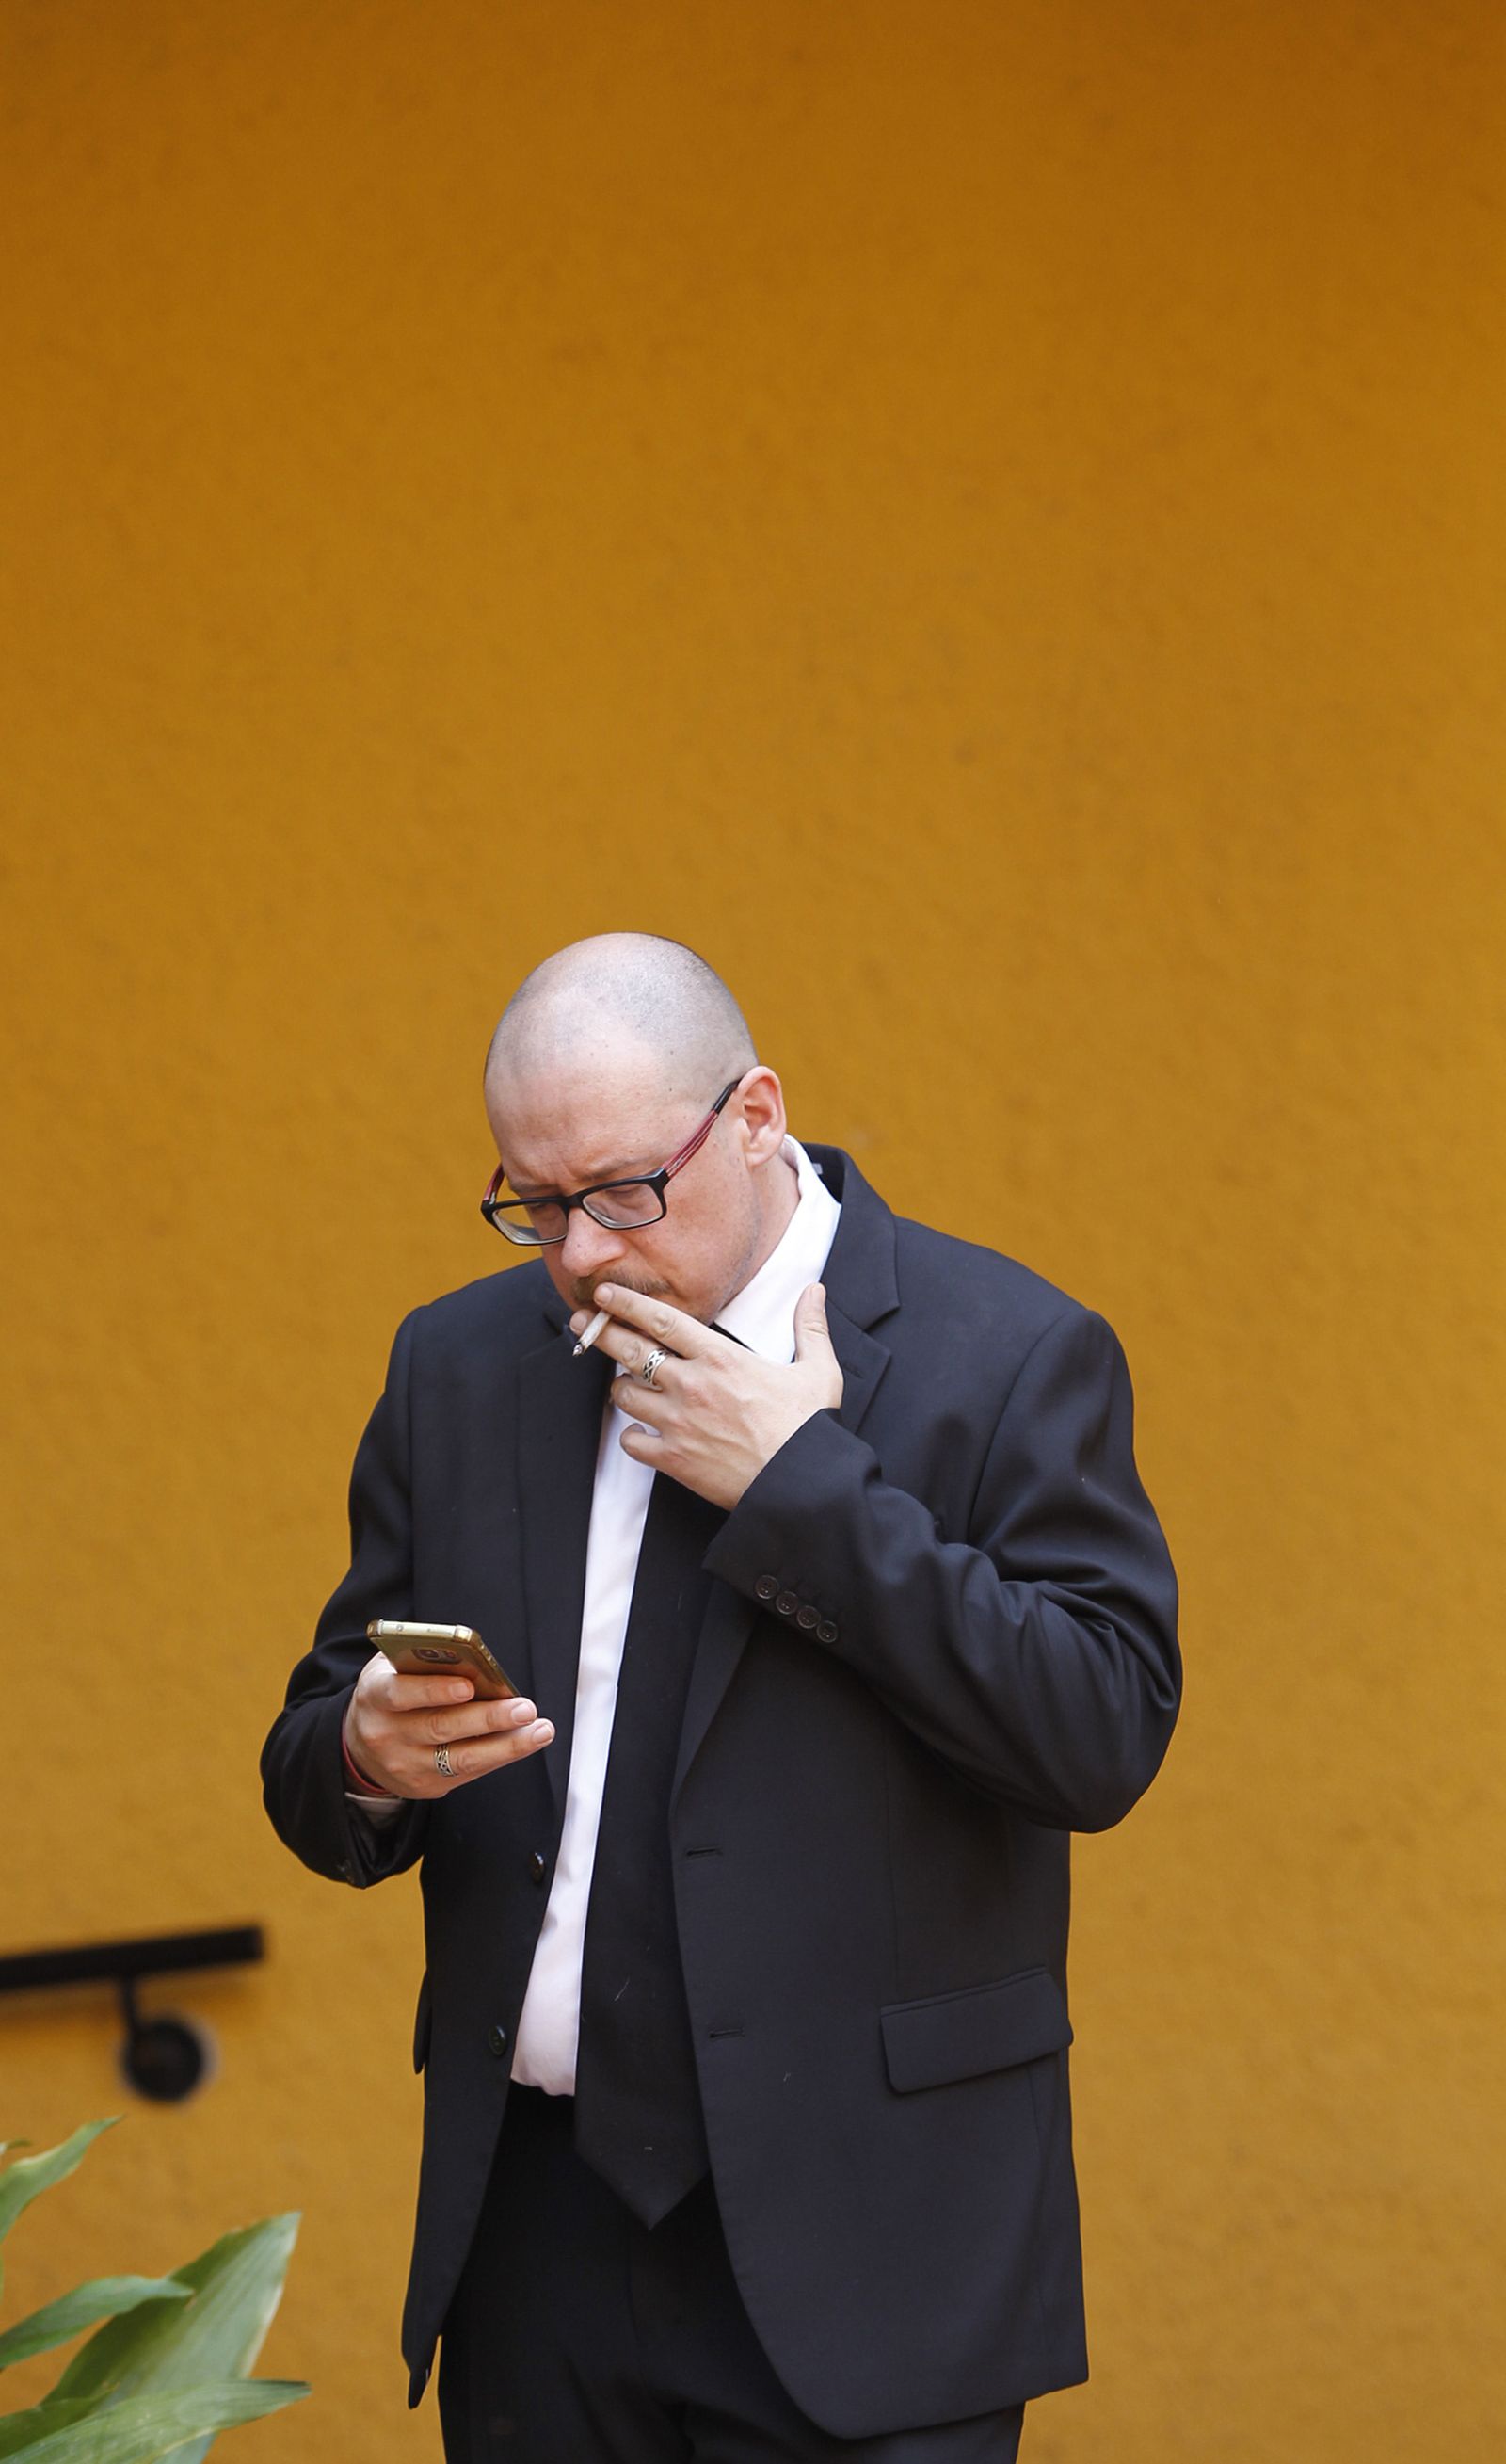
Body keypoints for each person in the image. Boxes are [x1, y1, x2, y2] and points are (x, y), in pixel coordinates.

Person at [261, 933, 1180, 2463]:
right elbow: (315, 1747)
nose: (581, 1253)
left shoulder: (1009, 1353)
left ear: (757, 1115)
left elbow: (1098, 1730)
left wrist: (805, 1491)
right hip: (538, 2237)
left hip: (873, 2245)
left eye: (625, 1190)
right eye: (533, 1202)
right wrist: (362, 1752)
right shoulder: (458, 1364)